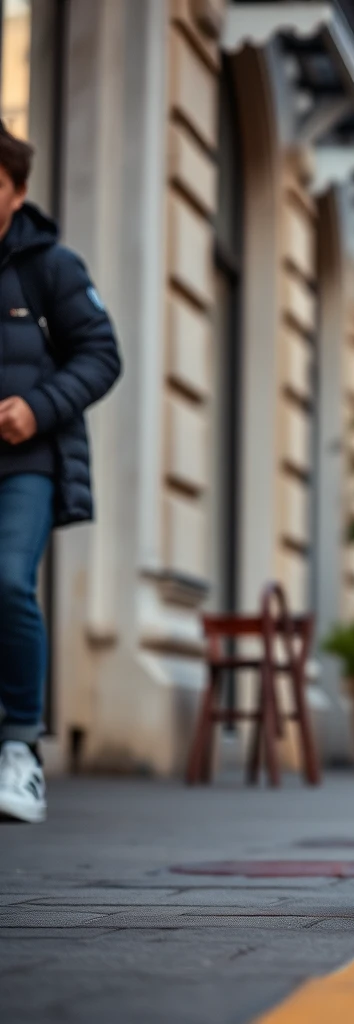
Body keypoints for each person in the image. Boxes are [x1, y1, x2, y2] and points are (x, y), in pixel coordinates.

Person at [0, 124, 121, 823]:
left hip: (27, 460)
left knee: (8, 582)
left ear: (17, 193)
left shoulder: (50, 266)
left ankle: (21, 749)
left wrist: (37, 407)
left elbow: (102, 355)